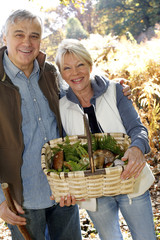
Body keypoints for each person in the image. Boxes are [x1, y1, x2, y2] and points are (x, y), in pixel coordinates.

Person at [54, 38, 156, 240]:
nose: (75, 73)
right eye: (67, 68)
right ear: (61, 73)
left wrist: (137, 148)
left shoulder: (115, 90)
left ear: (90, 65)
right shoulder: (60, 106)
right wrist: (68, 186)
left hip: (130, 178)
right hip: (94, 191)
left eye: (80, 64)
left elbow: (138, 129)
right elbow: (66, 152)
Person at [0, 10, 82, 240]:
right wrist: (0, 201)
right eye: (19, 34)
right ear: (4, 38)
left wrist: (112, 88)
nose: (27, 42)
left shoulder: (50, 73)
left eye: (34, 36)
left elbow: (78, 97)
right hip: (21, 200)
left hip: (63, 190)